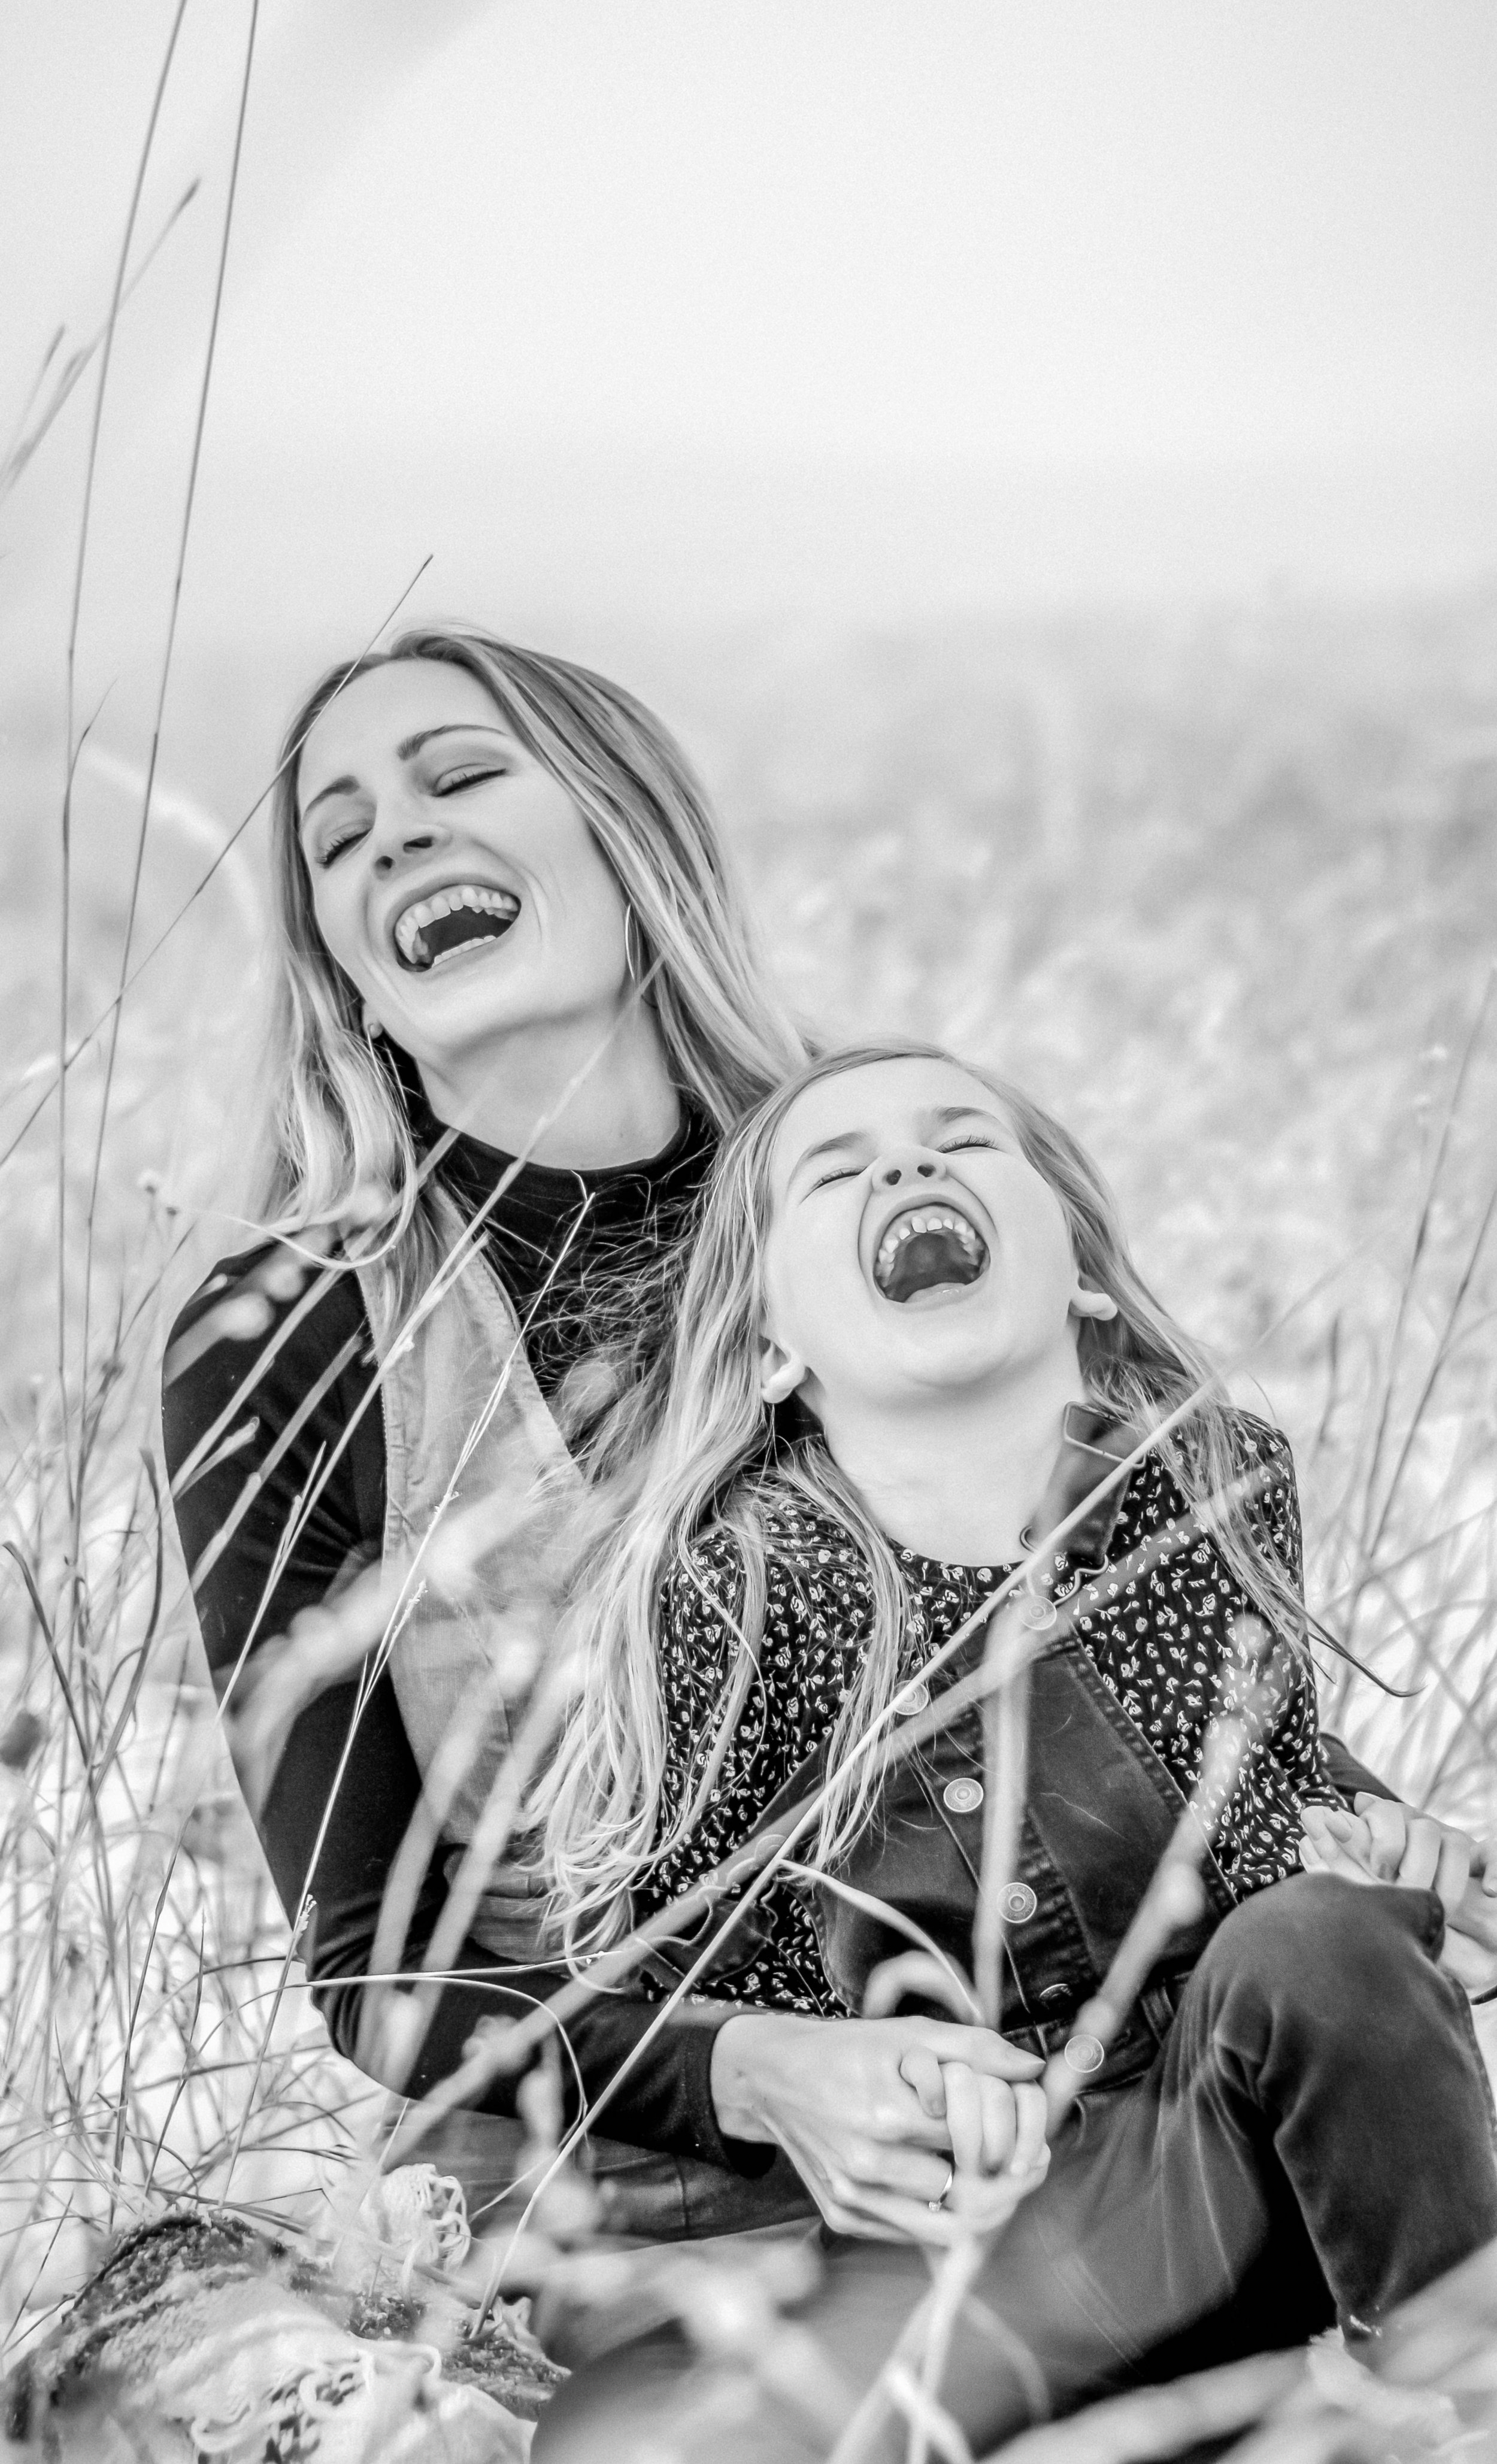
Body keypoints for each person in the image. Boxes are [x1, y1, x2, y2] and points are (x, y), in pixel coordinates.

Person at [165, 628, 1467, 2243]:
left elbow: (1120, 1637)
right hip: (664, 2209)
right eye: (340, 841)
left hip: (1093, 2085)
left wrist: (1348, 1816)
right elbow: (376, 1970)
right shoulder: (302, 1322)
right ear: (340, 968)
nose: (401, 839)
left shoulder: (861, 1168)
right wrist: (760, 2065)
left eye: (460, 775)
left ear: (625, 826)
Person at [531, 1042, 1497, 2460]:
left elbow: (1272, 1786)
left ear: (1079, 1271)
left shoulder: (1213, 1483)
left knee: (1323, 1943)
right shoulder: (745, 1590)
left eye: (961, 1143)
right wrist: (816, 2066)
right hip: (986, 2239)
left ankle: (1450, 2393)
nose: (908, 1170)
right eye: (836, 1169)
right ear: (768, 1345)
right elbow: (634, 1986)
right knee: (634, 2434)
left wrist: (1374, 1846)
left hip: (1246, 2162)